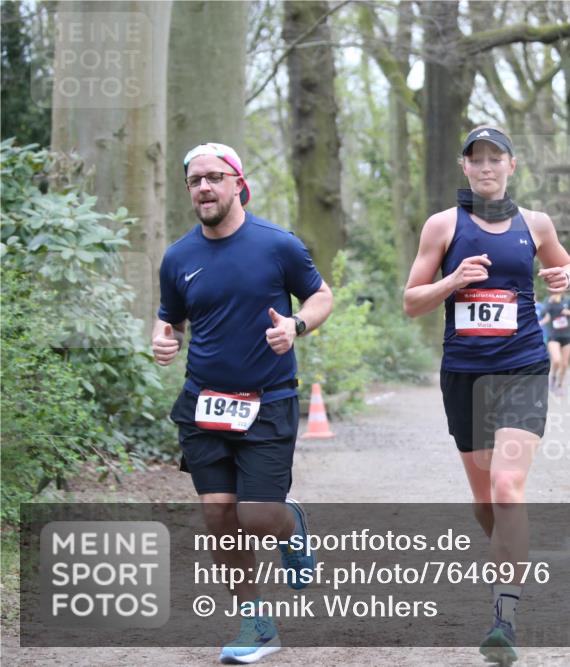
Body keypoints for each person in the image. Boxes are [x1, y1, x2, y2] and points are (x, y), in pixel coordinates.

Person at [152, 142, 333, 664]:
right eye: (194, 181)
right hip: (204, 404)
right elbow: (172, 318)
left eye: (213, 177)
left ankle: (289, 523)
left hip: (269, 401)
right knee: (218, 515)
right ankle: (256, 625)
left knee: (256, 516)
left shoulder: (278, 246)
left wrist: (296, 326)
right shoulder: (179, 256)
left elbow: (322, 296)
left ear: (237, 182)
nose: (204, 187)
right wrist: (165, 338)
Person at [403, 126, 570, 664]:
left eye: (495, 158)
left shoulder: (535, 224)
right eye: (476, 159)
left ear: (512, 165)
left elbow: (564, 264)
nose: (486, 167)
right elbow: (411, 301)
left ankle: (505, 617)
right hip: (464, 375)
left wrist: (562, 277)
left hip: (522, 366)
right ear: (464, 167)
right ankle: (510, 549)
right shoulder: (443, 225)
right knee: (487, 504)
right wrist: (453, 281)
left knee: (506, 487)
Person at [539, 292, 570, 392]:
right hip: (553, 336)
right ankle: (552, 378)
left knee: (565, 364)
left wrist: (569, 313)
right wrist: (550, 302)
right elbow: (542, 313)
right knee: (556, 360)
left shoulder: (568, 300)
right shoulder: (548, 299)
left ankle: (559, 385)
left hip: (566, 336)